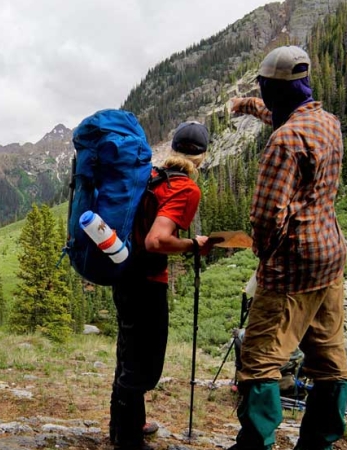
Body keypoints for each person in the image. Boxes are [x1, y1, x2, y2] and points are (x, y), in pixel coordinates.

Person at [229, 45, 347, 450]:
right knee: (329, 357)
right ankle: (320, 441)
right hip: (330, 258)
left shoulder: (284, 141)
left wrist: (266, 255)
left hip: (293, 266)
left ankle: (255, 443)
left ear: (273, 89)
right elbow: (278, 113)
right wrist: (244, 105)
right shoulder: (325, 122)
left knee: (260, 358)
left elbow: (265, 216)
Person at [109, 121, 212, 450]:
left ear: (173, 148)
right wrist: (194, 245)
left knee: (128, 354)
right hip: (147, 281)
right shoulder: (185, 189)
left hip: (123, 273)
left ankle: (126, 426)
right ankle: (128, 441)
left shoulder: (151, 177)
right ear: (203, 156)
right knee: (144, 365)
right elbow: (157, 241)